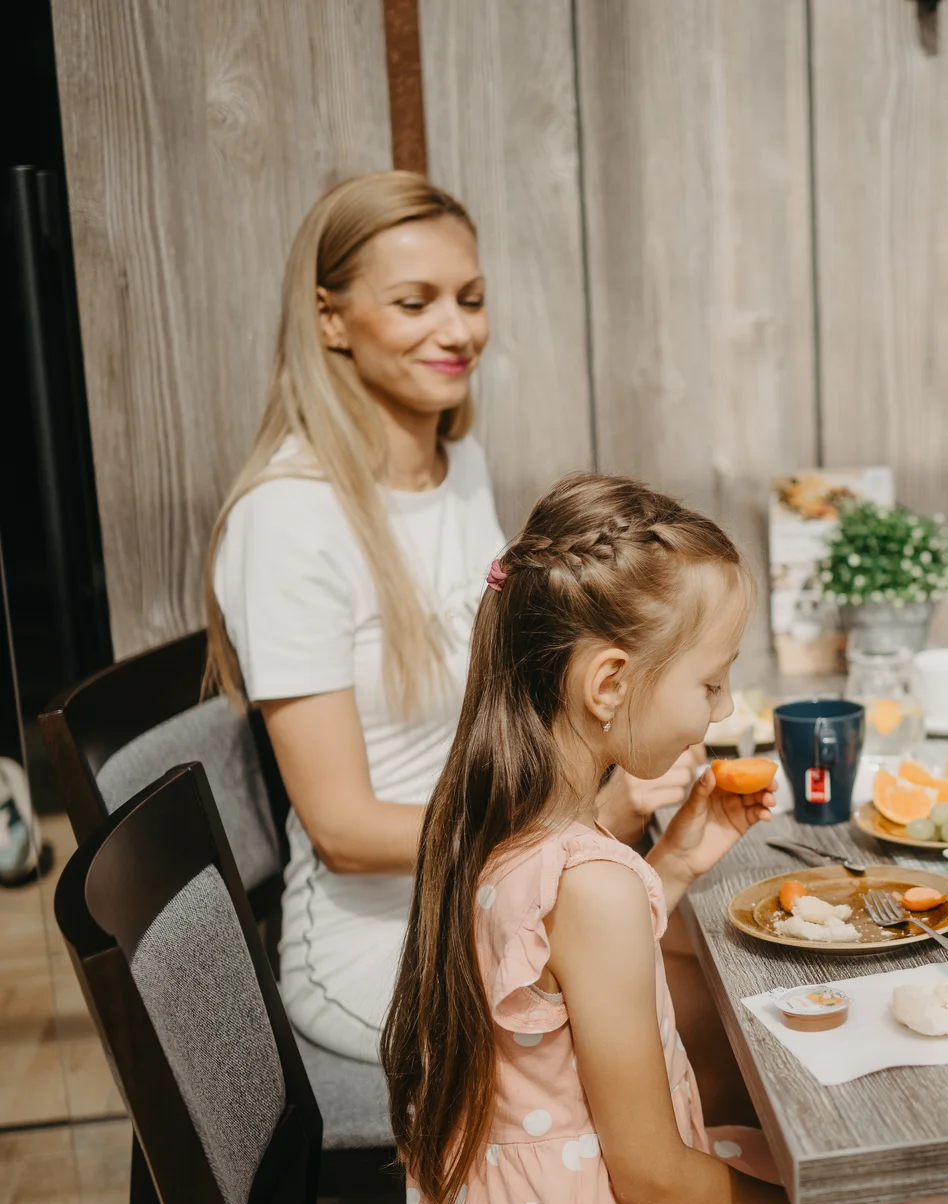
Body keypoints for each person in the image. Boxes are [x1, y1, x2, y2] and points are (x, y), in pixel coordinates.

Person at [383, 474, 948, 1204]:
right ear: (607, 683)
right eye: (712, 682)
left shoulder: (500, 824)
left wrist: (677, 858)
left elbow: (564, 979)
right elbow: (653, 1176)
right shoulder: (591, 884)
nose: (721, 711)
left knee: (904, 1183)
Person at [204, 173, 696, 1063]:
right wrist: (575, 812)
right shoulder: (287, 519)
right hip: (380, 947)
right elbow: (345, 831)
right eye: (414, 301)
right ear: (330, 318)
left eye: (471, 299)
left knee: (733, 996)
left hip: (503, 881)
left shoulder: (457, 463)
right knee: (696, 1034)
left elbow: (513, 690)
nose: (458, 329)